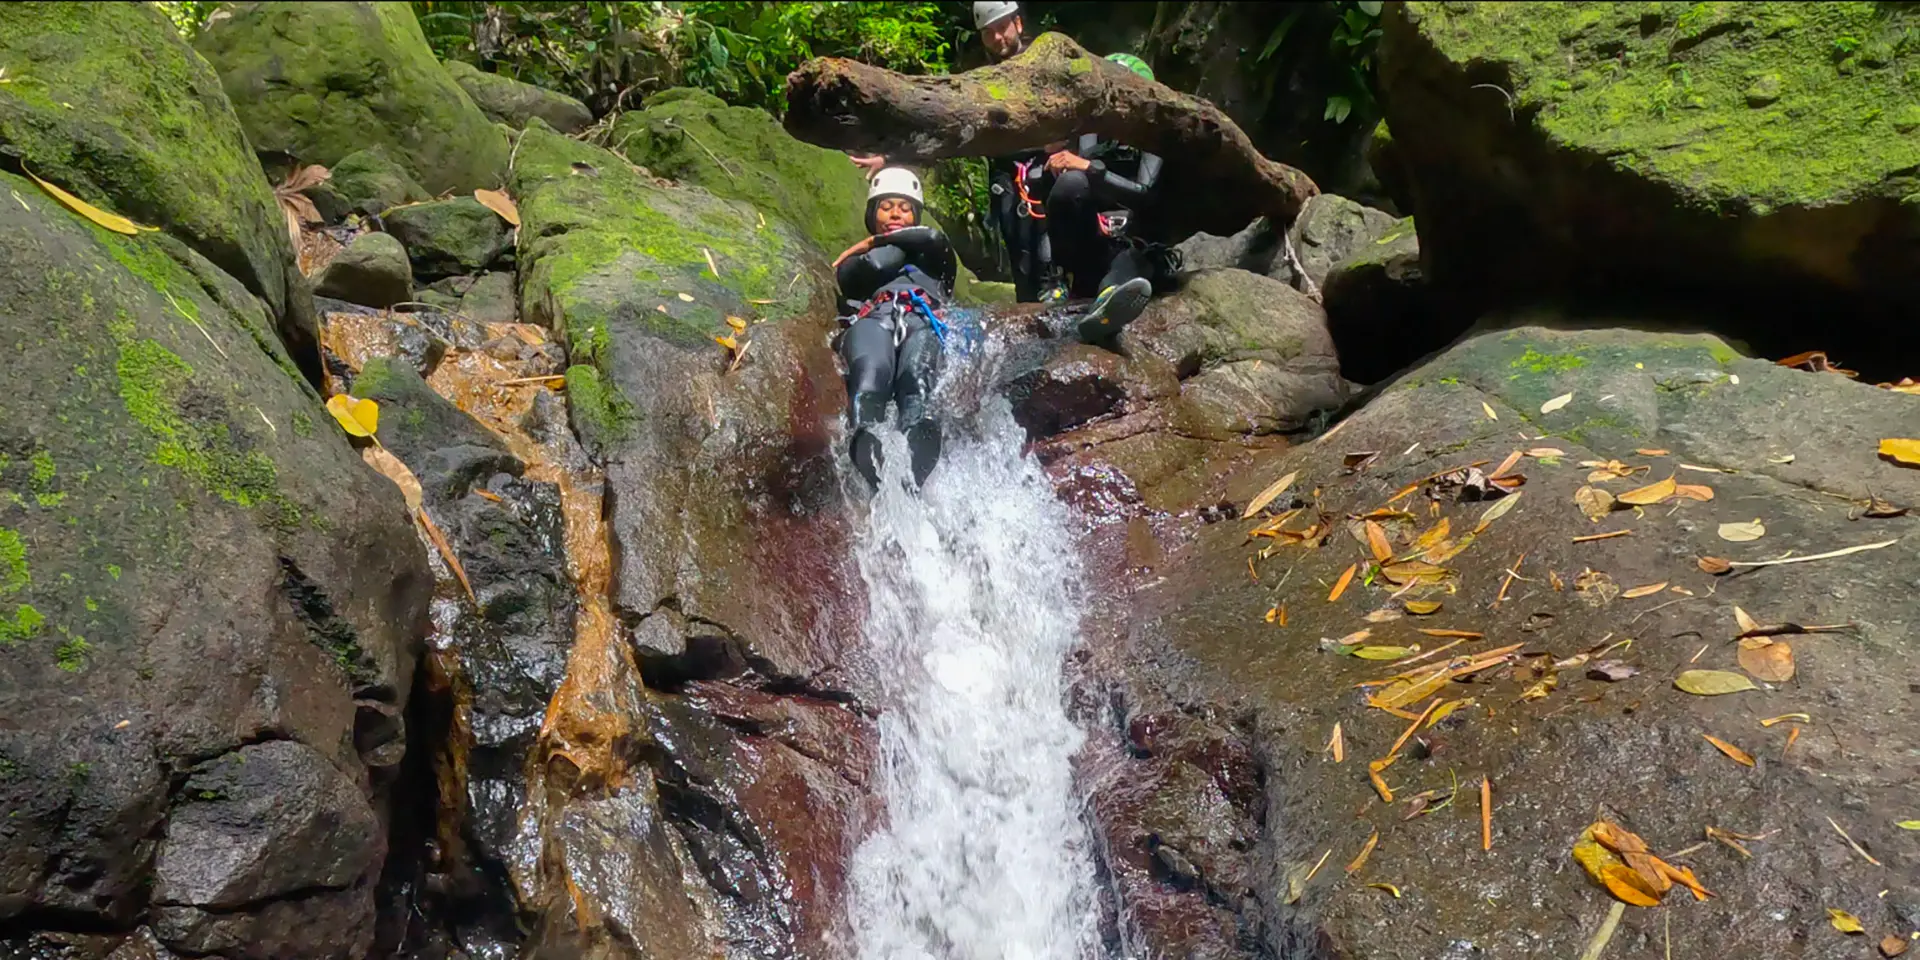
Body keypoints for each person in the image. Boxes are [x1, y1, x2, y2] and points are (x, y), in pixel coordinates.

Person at [852, 1, 1056, 303]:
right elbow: (945, 130)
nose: (998, 38)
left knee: (1045, 241)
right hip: (1006, 171)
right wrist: (890, 157)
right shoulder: (980, 80)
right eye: (989, 33)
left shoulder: (1044, 64)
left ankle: (1060, 292)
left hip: (1046, 164)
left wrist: (1063, 146)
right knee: (1017, 246)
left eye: (1002, 28)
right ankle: (1029, 307)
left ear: (1018, 24)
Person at [1035, 53, 1178, 344]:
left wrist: (1091, 169)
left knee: (1133, 258)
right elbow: (1058, 196)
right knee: (1069, 183)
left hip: (1135, 245)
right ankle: (1060, 280)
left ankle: (1107, 304)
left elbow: (1146, 194)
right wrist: (1052, 173)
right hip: (1092, 243)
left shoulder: (1155, 139)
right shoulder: (1089, 133)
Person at [831, 167, 959, 491]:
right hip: (875, 317)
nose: (895, 214)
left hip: (922, 318)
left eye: (904, 208)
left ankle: (917, 439)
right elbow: (865, 269)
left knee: (916, 376)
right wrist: (889, 247)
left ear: (916, 213)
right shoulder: (858, 260)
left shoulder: (935, 255)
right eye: (886, 207)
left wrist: (878, 241)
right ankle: (866, 439)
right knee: (871, 370)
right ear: (872, 212)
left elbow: (931, 238)